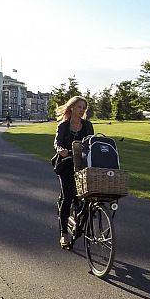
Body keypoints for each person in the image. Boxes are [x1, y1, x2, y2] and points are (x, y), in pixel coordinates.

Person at [53, 96, 95, 248]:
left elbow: (92, 142)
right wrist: (61, 150)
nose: (81, 110)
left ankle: (80, 221)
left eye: (84, 108)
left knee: (86, 196)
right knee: (68, 196)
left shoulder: (88, 125)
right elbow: (57, 142)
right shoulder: (63, 126)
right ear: (71, 107)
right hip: (66, 164)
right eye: (79, 107)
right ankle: (64, 233)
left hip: (82, 164)